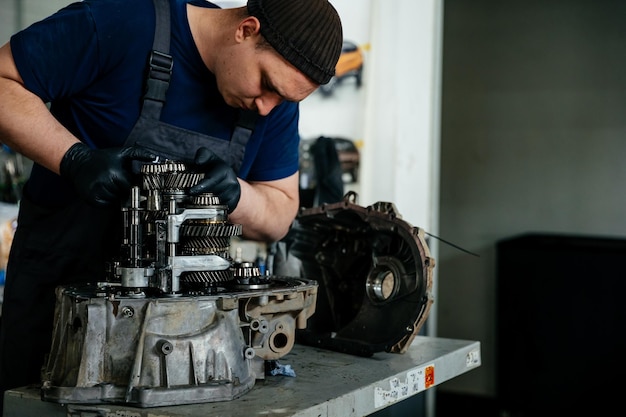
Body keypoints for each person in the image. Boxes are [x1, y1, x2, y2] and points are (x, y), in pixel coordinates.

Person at [0, 0, 342, 410]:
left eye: (283, 99)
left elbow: (280, 213)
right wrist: (73, 158)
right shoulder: (120, 21)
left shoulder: (274, 105)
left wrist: (235, 193)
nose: (268, 106)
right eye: (266, 84)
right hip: (58, 310)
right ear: (246, 30)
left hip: (186, 338)